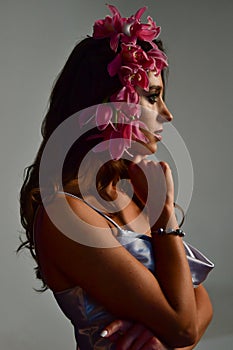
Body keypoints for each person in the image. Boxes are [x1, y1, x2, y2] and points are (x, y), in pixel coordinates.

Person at [18, 5, 214, 349]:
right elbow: (184, 328)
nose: (167, 113)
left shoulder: (129, 190)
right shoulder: (66, 214)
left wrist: (163, 333)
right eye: (152, 97)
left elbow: (201, 306)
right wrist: (163, 214)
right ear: (108, 106)